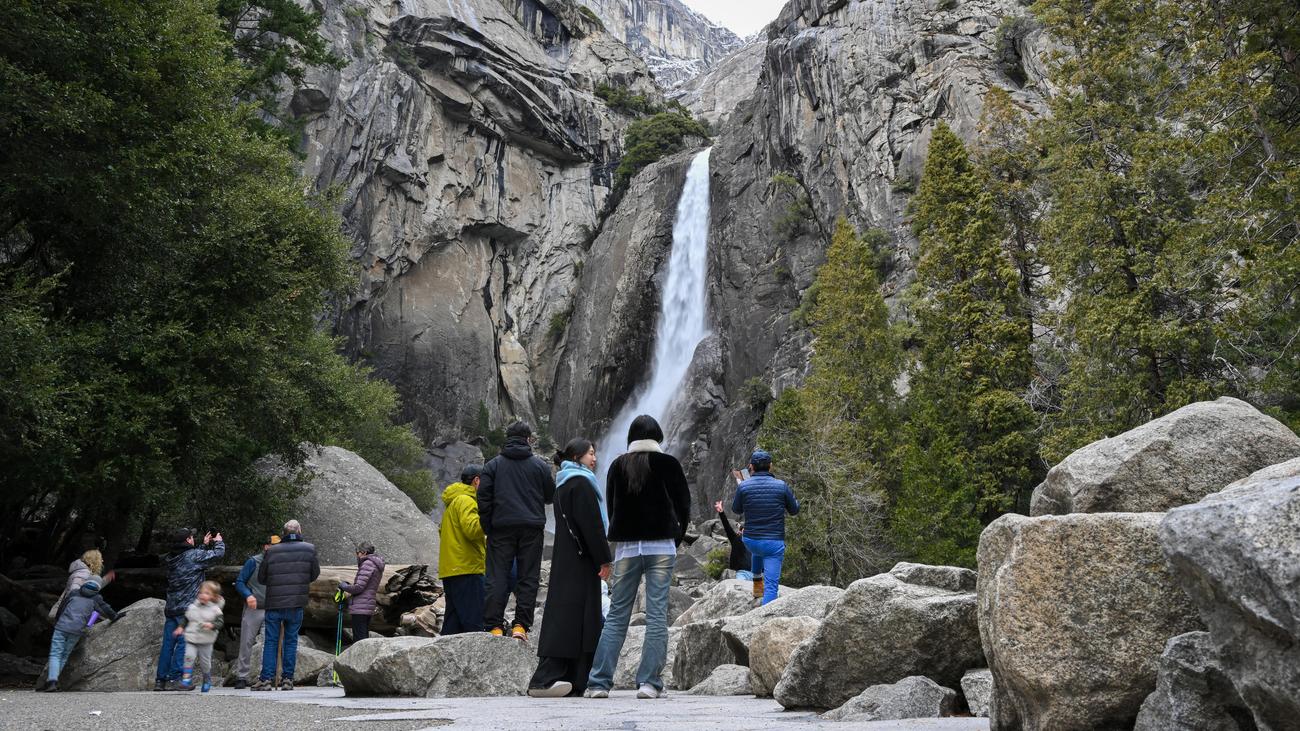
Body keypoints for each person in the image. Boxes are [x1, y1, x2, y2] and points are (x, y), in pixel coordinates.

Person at [585, 415, 690, 700]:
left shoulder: (617, 465)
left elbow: (611, 507)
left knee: (617, 614)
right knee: (656, 615)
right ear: (658, 436)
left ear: (631, 437)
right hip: (661, 548)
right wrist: (675, 537)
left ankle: (598, 683)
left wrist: (620, 535)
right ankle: (649, 683)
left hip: (627, 549)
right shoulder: (669, 464)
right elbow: (684, 505)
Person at [529, 438, 613, 698]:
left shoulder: (563, 484)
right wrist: (604, 559)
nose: (594, 458)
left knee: (568, 614)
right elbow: (592, 527)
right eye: (590, 453)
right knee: (582, 616)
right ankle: (561, 677)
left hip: (566, 559)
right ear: (577, 457)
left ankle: (570, 678)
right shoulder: (582, 484)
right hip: (582, 560)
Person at [478, 421, 555, 641]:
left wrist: (488, 527)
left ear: (508, 438)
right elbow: (550, 495)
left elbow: (483, 499)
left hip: (501, 528)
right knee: (528, 577)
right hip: (532, 528)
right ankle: (521, 626)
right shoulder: (540, 466)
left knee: (497, 576)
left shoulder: (493, 466)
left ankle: (494, 626)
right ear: (528, 439)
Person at [253, 519, 320, 691]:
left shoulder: (271, 551)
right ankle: (287, 679)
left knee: (271, 641)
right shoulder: (309, 549)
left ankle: (266, 679)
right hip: (296, 603)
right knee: (291, 641)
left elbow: (262, 578)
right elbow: (314, 574)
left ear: (283, 533)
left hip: (274, 603)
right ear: (300, 530)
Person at [156, 529, 225, 691]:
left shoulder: (170, 558)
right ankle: (176, 679)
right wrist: (219, 542)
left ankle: (160, 681)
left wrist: (203, 546)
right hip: (187, 610)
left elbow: (189, 559)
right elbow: (218, 555)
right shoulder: (193, 556)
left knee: (167, 645)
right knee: (184, 644)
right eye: (192, 537)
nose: (194, 539)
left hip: (172, 608)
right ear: (188, 540)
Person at [731, 450, 800, 605]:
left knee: (757, 551)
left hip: (751, 541)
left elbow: (736, 509)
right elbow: (794, 510)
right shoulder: (781, 486)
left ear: (751, 467)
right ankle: (766, 616)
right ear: (770, 466)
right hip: (773, 542)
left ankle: (757, 588)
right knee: (771, 586)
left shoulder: (744, 486)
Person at [41, 575, 117, 692]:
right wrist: (115, 617)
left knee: (56, 654)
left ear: (85, 583)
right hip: (77, 631)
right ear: (98, 587)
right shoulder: (96, 598)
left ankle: (52, 681)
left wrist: (57, 621)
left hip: (61, 627)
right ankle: (52, 682)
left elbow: (62, 608)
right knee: (64, 654)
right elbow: (106, 609)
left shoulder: (74, 593)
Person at [439, 464, 486, 635]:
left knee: (453, 623)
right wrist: (489, 517)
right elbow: (472, 529)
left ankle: (443, 652)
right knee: (474, 623)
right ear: (477, 481)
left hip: (451, 569)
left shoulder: (452, 503)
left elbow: (442, 532)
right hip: (467, 568)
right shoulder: (467, 500)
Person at [232, 535, 279, 689]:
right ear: (266, 546)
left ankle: (265, 677)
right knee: (246, 642)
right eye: (274, 545)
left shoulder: (280, 562)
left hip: (272, 608)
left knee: (269, 643)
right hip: (253, 608)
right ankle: (242, 676)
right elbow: (240, 582)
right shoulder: (253, 561)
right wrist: (248, 595)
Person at [174, 580, 224, 692]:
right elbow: (186, 618)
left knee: (205, 662)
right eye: (201, 592)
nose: (202, 595)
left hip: (206, 640)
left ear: (213, 596)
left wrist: (212, 625)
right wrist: (180, 627)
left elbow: (220, 622)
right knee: (189, 657)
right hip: (192, 638)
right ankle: (186, 679)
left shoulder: (215, 610)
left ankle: (206, 679)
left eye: (207, 593)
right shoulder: (193, 607)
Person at [47, 549, 114, 622]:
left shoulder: (83, 572)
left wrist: (105, 580)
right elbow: (74, 593)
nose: (102, 561)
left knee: (97, 615)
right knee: (96, 616)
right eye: (100, 559)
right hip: (69, 615)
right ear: (94, 561)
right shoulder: (83, 574)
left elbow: (88, 589)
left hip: (68, 613)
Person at [339, 542, 385, 642]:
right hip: (367, 605)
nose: (357, 555)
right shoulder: (375, 564)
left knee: (359, 639)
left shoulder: (367, 564)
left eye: (358, 552)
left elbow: (359, 587)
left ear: (364, 552)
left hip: (360, 607)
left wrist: (344, 586)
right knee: (364, 638)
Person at [713, 500, 754, 581]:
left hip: (757, 573)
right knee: (740, 588)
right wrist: (721, 513)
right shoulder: (737, 540)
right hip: (742, 573)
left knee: (759, 590)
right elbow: (727, 527)